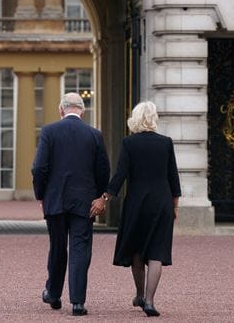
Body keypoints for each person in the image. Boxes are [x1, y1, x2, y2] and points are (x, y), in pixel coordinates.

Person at [90, 101, 181, 317]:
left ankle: (140, 294)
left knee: (137, 252)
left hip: (137, 203)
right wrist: (175, 205)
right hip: (162, 202)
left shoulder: (129, 143)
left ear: (135, 118)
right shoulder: (166, 143)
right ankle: (149, 301)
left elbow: (120, 175)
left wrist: (105, 197)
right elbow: (173, 177)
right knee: (157, 252)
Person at [32, 92, 110, 316]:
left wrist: (41, 194)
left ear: (61, 109)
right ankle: (77, 302)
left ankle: (54, 293)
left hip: (55, 199)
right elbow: (103, 169)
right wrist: (99, 196)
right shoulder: (94, 135)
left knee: (57, 247)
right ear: (83, 111)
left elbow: (39, 168)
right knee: (80, 249)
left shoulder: (49, 131)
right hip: (85, 201)